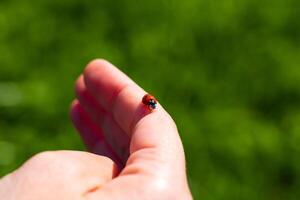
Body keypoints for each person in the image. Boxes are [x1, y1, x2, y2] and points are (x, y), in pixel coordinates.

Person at [0, 59, 193, 199]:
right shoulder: (147, 103)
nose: (151, 105)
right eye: (151, 104)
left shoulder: (149, 103)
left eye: (151, 104)